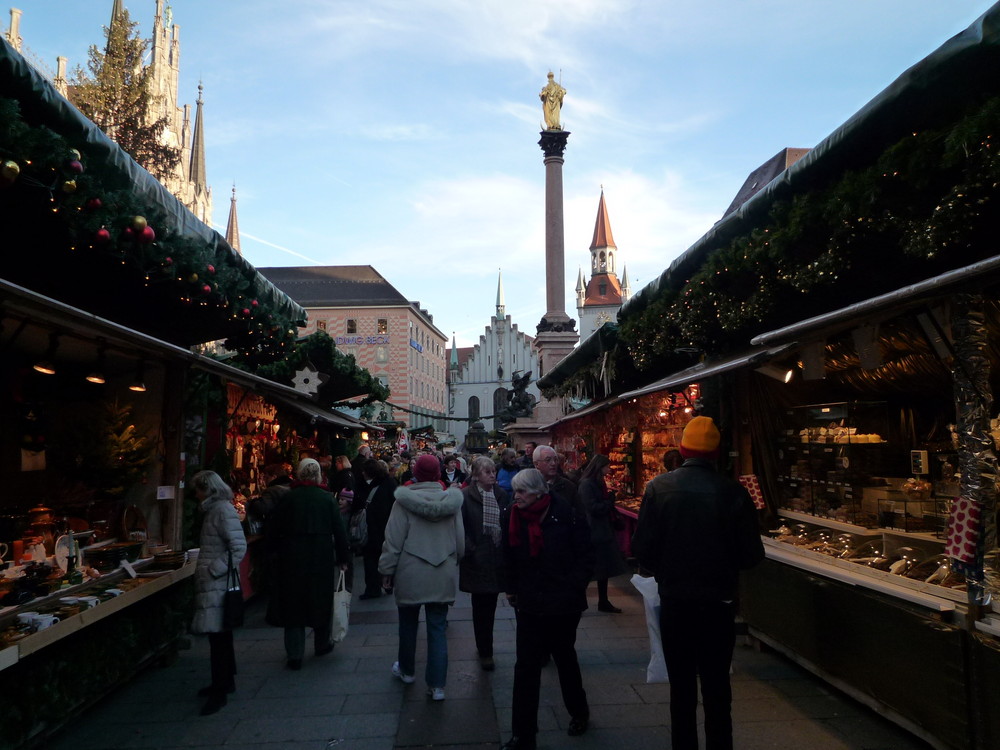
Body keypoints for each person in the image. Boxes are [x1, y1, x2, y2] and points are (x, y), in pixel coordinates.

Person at [632, 416, 765, 750]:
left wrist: (667, 569)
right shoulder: (733, 492)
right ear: (717, 453)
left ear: (682, 449)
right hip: (718, 604)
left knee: (682, 690)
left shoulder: (658, 488)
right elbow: (752, 555)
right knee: (718, 688)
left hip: (676, 602)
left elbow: (642, 552)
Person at [501, 469, 594, 750]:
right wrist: (512, 588)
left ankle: (579, 712)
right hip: (530, 602)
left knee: (564, 658)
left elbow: (585, 555)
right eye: (515, 491)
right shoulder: (512, 515)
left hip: (562, 602)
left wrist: (574, 586)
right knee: (526, 667)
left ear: (540, 492)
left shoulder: (566, 514)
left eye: (522, 492)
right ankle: (522, 734)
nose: (516, 497)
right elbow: (507, 556)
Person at [379, 454, 465, 701]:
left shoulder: (403, 502)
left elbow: (393, 541)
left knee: (407, 624)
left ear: (415, 472)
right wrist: (453, 559)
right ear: (438, 473)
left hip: (411, 571)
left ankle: (407, 671)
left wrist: (386, 570)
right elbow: (460, 542)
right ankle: (437, 685)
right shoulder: (452, 501)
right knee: (437, 628)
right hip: (442, 569)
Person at [265, 458, 350, 670]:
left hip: (292, 557)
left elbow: (274, 528)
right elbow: (339, 530)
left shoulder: (289, 497)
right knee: (320, 598)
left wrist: (273, 552)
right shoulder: (326, 498)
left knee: (293, 602)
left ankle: (295, 653)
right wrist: (343, 558)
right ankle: (321, 644)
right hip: (320, 556)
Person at [189, 470, 247, 716]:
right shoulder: (215, 510)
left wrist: (214, 570)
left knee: (219, 638)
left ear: (207, 489)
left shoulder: (221, 510)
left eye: (197, 490)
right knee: (220, 637)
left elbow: (238, 546)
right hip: (214, 584)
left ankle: (220, 690)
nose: (195, 495)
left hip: (218, 585)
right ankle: (223, 683)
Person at [459, 455, 511, 671]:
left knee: (490, 606)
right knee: (481, 609)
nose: (492, 475)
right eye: (487, 472)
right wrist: (472, 549)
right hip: (477, 561)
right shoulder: (465, 497)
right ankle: (485, 651)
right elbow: (460, 528)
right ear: (476, 476)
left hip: (497, 559)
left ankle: (485, 648)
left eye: (493, 471)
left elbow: (507, 524)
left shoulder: (501, 495)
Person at [578, 454, 628, 613]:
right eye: (607, 466)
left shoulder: (598, 483)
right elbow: (593, 508)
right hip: (594, 531)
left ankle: (603, 600)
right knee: (591, 568)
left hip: (603, 530)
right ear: (599, 467)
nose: (609, 469)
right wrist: (610, 501)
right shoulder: (587, 484)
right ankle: (577, 599)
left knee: (603, 568)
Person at [359, 458, 398, 599]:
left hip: (373, 529)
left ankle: (373, 588)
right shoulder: (391, 484)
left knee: (371, 560)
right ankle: (388, 583)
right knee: (386, 556)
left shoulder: (371, 486)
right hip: (387, 528)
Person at [533, 444, 581, 514]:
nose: (553, 463)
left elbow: (580, 514)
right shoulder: (528, 486)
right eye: (548, 460)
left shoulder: (569, 486)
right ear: (536, 464)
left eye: (555, 460)